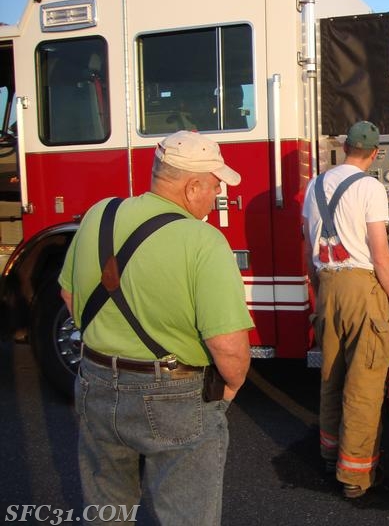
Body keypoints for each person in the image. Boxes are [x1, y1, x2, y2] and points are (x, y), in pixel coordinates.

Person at [58, 130, 253, 526]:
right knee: (185, 515)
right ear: (192, 185)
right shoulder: (204, 241)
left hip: (96, 382)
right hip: (174, 394)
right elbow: (228, 347)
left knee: (106, 512)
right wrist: (229, 389)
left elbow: (69, 298)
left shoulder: (100, 214)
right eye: (215, 185)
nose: (217, 197)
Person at [302, 120, 389, 499]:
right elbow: (380, 255)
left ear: (345, 147)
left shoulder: (314, 186)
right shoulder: (370, 187)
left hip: (327, 286)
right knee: (363, 384)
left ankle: (330, 456)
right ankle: (355, 476)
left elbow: (306, 251)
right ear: (375, 153)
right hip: (362, 288)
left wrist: (319, 294)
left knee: (331, 377)